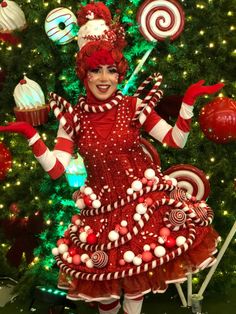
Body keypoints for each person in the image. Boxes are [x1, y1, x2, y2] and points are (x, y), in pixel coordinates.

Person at [0, 2, 224, 314]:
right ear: (84, 74)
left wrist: (187, 103)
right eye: (95, 70)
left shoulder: (134, 107)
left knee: (137, 284)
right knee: (103, 293)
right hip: (99, 214)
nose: (104, 78)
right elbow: (56, 169)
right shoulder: (73, 118)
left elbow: (177, 140)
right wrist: (31, 134)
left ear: (119, 74)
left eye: (111, 70)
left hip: (144, 207)